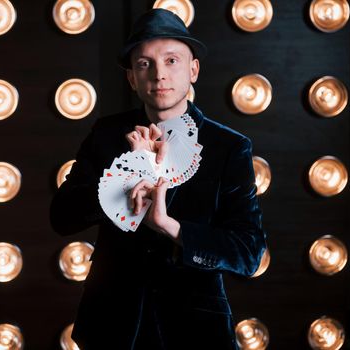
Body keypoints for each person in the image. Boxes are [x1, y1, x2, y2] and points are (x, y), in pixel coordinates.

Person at [50, 8, 267, 350]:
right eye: (144, 64)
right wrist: (120, 186)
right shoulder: (107, 134)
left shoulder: (229, 147)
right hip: (110, 325)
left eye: (171, 61)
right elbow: (61, 217)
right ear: (132, 79)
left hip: (196, 330)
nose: (158, 75)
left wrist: (170, 227)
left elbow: (248, 252)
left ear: (193, 69)